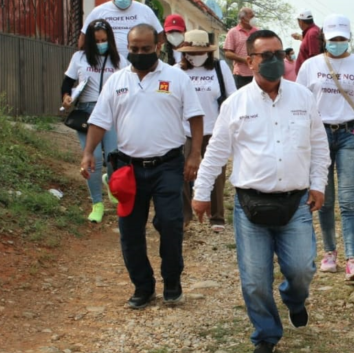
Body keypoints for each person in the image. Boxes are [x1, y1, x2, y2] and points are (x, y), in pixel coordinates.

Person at [192, 30, 330, 353]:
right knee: (254, 281)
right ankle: (266, 335)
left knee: (302, 269)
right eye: (265, 55)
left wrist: (318, 184)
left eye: (278, 54)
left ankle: (294, 298)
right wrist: (201, 192)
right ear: (250, 62)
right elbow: (215, 154)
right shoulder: (235, 104)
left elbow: (319, 145)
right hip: (250, 206)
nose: (273, 61)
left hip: (295, 203)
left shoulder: (303, 98)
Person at [80, 24, 204, 309]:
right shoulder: (116, 81)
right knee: (130, 230)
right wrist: (88, 153)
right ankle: (143, 287)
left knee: (171, 224)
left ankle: (172, 282)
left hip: (168, 166)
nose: (139, 54)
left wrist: (194, 154)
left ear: (158, 45)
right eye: (134, 49)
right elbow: (100, 120)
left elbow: (196, 117)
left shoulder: (176, 78)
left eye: (145, 49)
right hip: (128, 169)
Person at [296, 14, 354, 281]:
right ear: (325, 38)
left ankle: (352, 259)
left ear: (348, 38)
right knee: (324, 200)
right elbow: (298, 105)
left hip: (350, 134)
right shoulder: (310, 66)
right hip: (319, 136)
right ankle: (330, 253)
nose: (338, 43)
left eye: (342, 38)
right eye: (333, 39)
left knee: (348, 201)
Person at [62, 19, 129, 223]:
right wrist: (66, 96)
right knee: (92, 159)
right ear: (90, 41)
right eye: (97, 40)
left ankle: (110, 181)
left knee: (112, 156)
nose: (101, 43)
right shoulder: (80, 58)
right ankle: (97, 203)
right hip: (87, 112)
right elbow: (67, 82)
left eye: (104, 39)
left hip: (112, 111)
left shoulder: (120, 61)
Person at [176, 29, 237, 232]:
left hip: (214, 128)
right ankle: (184, 214)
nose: (195, 57)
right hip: (185, 130)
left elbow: (232, 97)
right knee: (183, 171)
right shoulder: (177, 70)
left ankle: (217, 216)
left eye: (198, 53)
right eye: (190, 53)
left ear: (208, 52)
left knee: (216, 173)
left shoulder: (219, 68)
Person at [78, 0, 164, 58]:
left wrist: (155, 55)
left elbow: (160, 35)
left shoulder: (145, 11)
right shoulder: (99, 11)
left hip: (139, 65)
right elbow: (83, 38)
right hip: (106, 66)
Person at [223, 7, 258, 88]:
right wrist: (244, 60)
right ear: (243, 18)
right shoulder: (233, 32)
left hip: (257, 73)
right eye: (251, 16)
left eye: (254, 16)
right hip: (241, 75)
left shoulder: (258, 32)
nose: (253, 19)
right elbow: (228, 53)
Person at [293, 9, 321, 75]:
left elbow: (315, 57)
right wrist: (299, 37)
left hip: (309, 75)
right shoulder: (311, 32)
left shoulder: (312, 33)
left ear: (301, 21)